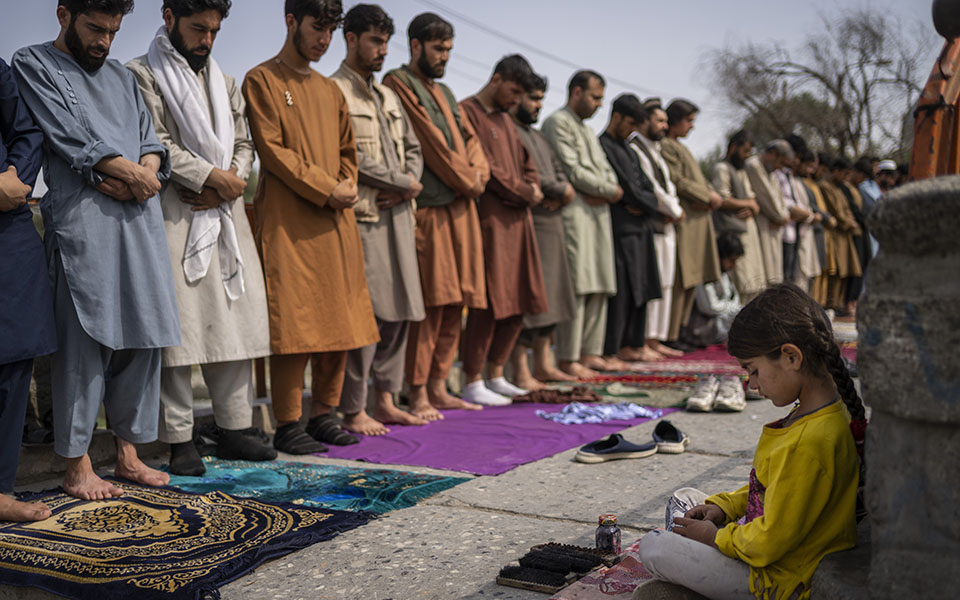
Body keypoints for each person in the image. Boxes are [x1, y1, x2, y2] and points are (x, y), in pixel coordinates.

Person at [13, 0, 180, 500]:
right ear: (64, 14)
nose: (105, 41)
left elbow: (151, 142)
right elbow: (70, 139)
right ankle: (77, 463)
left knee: (143, 336)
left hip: (139, 220)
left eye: (114, 30)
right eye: (95, 28)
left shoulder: (123, 77)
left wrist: (142, 174)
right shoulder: (33, 62)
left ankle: (128, 455)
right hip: (82, 224)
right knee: (83, 341)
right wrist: (133, 174)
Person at [635, 283, 864, 600]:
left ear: (790, 357)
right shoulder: (816, 413)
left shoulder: (811, 440)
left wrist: (716, 538)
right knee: (686, 499)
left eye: (753, 371)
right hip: (761, 545)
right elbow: (770, 487)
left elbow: (770, 541)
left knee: (654, 547)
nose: (752, 385)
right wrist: (722, 507)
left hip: (776, 576)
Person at [127, 0, 275, 476]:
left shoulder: (225, 81)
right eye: (197, 28)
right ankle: (179, 440)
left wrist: (233, 180)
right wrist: (213, 177)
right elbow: (155, 140)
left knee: (232, 322)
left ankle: (235, 428)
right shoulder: (140, 74)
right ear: (168, 17)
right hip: (174, 212)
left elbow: (245, 143)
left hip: (225, 214)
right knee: (180, 330)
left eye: (213, 30)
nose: (206, 40)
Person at [243, 0, 379, 454]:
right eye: (316, 29)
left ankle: (324, 413)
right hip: (289, 221)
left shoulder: (330, 89)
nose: (323, 40)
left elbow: (348, 150)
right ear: (290, 22)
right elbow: (273, 152)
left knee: (339, 316)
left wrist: (347, 184)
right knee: (294, 322)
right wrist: (327, 187)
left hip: (335, 218)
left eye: (329, 31)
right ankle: (287, 423)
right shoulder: (261, 79)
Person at [383, 13, 490, 417]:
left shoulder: (445, 91)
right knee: (431, 303)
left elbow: (470, 140)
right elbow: (433, 147)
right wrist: (471, 180)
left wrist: (478, 175)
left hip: (463, 209)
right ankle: (418, 391)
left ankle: (439, 384)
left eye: (448, 49)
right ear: (415, 46)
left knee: (456, 302)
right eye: (438, 48)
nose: (444, 56)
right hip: (432, 210)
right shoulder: (399, 83)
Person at [330, 4, 427, 435]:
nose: (382, 50)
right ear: (350, 39)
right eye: (374, 41)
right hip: (366, 216)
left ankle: (386, 399)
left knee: (401, 310)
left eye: (386, 42)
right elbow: (349, 154)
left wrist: (408, 182)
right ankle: (354, 408)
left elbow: (414, 150)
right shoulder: (335, 90)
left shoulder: (388, 95)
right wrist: (400, 182)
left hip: (400, 214)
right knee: (366, 315)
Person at [459, 54, 548, 405]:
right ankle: (472, 379)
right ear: (496, 79)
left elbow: (529, 166)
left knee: (519, 300)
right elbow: (489, 170)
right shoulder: (468, 111)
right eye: (512, 91)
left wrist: (531, 186)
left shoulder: (507, 121)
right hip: (491, 221)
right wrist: (528, 192)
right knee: (490, 302)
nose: (515, 100)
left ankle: (496, 373)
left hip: (520, 223)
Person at [0, 58, 56, 521]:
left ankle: (0, 490)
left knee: (15, 353)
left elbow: (26, 131)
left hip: (7, 221)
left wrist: (16, 176)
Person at [542, 70, 625, 377]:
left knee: (600, 283)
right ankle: (568, 356)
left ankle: (590, 352)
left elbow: (608, 174)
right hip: (576, 211)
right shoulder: (557, 122)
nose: (598, 105)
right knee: (578, 284)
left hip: (598, 212)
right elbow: (573, 171)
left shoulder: (588, 130)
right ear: (576, 92)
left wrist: (606, 190)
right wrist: (606, 191)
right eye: (595, 97)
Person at [508, 74, 579, 391]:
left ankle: (543, 364)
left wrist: (562, 190)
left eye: (540, 100)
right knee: (528, 300)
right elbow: (528, 177)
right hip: (528, 224)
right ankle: (521, 370)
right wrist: (557, 189)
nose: (537, 106)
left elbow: (560, 172)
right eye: (533, 98)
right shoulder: (510, 131)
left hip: (552, 223)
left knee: (552, 299)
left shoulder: (538, 136)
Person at [598, 94, 662, 364]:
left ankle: (635, 344)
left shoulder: (630, 150)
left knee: (643, 287)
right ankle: (615, 347)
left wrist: (645, 204)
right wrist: (640, 201)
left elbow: (648, 191)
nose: (632, 130)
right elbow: (627, 189)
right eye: (630, 123)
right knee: (622, 291)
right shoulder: (603, 145)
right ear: (617, 117)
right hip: (621, 229)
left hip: (641, 227)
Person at [660, 99, 722, 350]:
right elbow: (678, 181)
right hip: (686, 220)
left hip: (699, 220)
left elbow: (698, 180)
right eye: (688, 121)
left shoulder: (680, 147)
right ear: (675, 120)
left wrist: (711, 195)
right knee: (680, 278)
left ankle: (682, 330)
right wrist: (707, 197)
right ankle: (670, 334)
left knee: (691, 280)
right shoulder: (667, 146)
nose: (691, 127)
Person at [630, 99, 685, 360]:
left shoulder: (656, 149)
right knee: (654, 282)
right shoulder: (636, 147)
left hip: (668, 223)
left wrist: (675, 209)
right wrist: (674, 210)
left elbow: (669, 187)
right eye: (659, 121)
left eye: (665, 121)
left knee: (666, 283)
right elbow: (652, 188)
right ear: (644, 122)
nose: (664, 126)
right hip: (655, 222)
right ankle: (646, 338)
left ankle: (656, 338)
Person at [710, 130, 765, 304]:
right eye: (745, 151)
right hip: (731, 233)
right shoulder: (722, 168)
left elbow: (753, 199)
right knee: (740, 282)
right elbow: (721, 198)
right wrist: (747, 204)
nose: (747, 156)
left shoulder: (740, 171)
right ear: (734, 147)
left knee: (754, 283)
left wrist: (752, 207)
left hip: (748, 232)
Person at [680, 233, 744, 348]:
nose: (733, 265)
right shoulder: (705, 274)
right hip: (704, 325)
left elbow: (735, 298)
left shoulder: (726, 273)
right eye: (731, 260)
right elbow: (709, 307)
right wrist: (734, 309)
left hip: (722, 318)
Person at [816, 155, 862, 312]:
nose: (845, 178)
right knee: (835, 271)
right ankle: (828, 305)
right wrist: (849, 223)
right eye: (844, 174)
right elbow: (835, 211)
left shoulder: (839, 188)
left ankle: (837, 304)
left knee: (846, 271)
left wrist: (851, 222)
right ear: (835, 171)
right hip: (835, 234)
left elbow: (848, 209)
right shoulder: (825, 186)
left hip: (845, 234)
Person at [744, 140, 792, 287]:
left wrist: (783, 217)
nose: (781, 167)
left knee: (774, 277)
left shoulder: (772, 171)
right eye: (781, 162)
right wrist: (782, 217)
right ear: (771, 155)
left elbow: (780, 200)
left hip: (774, 226)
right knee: (763, 279)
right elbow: (768, 198)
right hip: (762, 226)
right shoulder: (754, 166)